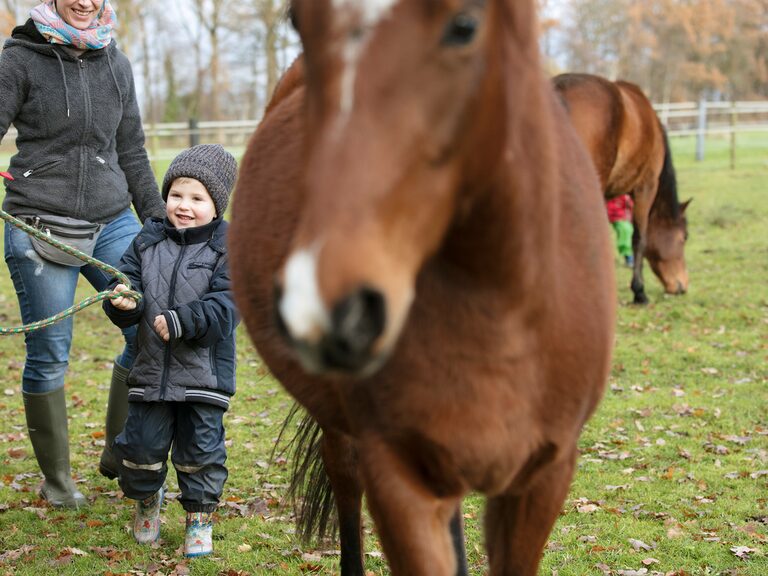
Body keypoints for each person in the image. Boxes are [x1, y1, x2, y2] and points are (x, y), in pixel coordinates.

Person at [0, 0, 165, 509]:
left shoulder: (116, 61)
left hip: (113, 220)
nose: (85, 1)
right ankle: (57, 480)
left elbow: (132, 149)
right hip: (41, 225)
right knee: (50, 356)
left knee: (148, 330)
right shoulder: (19, 59)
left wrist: (158, 224)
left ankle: (118, 450)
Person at [103, 144, 239, 558]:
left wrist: (183, 321)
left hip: (203, 377)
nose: (184, 206)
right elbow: (127, 284)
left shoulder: (228, 249)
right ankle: (147, 499)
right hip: (149, 372)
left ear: (216, 206)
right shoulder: (147, 240)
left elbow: (227, 306)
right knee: (140, 448)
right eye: (177, 194)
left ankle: (199, 517)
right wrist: (123, 302)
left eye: (197, 198)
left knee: (200, 451)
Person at [606, 194, 635, 267]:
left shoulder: (624, 195)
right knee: (625, 234)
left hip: (621, 217)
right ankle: (629, 259)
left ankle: (629, 258)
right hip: (618, 216)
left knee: (626, 234)